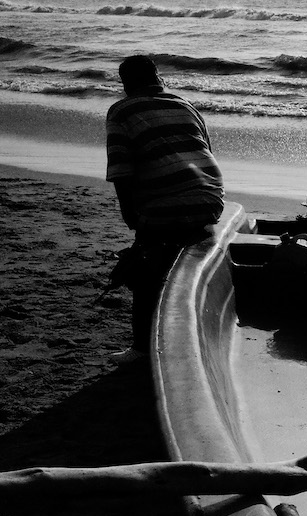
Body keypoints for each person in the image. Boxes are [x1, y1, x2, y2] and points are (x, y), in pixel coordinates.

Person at [106, 55, 225, 364]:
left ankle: (142, 350)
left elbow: (121, 169)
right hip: (212, 198)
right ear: (157, 76)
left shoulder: (121, 111)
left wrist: (130, 214)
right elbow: (206, 151)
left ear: (125, 83)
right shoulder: (186, 105)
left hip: (167, 204)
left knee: (144, 268)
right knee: (169, 250)